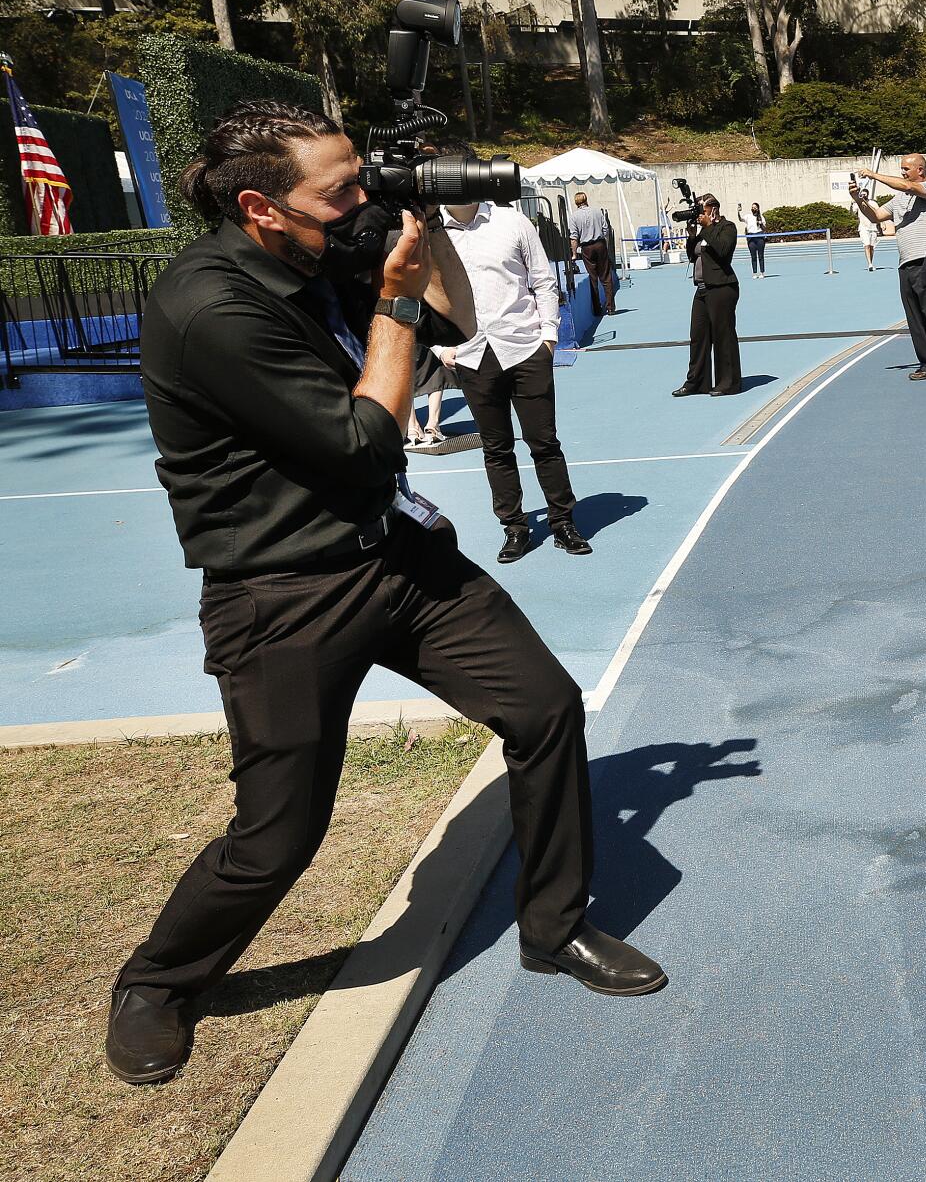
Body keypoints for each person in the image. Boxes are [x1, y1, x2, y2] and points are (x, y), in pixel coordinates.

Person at [110, 101, 664, 1086]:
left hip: (393, 553)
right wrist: (394, 301)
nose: (362, 202)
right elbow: (366, 436)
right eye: (342, 192)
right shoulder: (210, 308)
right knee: (278, 834)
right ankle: (157, 981)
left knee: (544, 710)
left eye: (366, 177)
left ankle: (553, 926)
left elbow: (452, 321)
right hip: (282, 592)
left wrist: (424, 233)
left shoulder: (332, 244)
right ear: (260, 207)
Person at [434, 170, 591, 563]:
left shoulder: (512, 220)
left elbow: (543, 280)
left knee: (544, 443)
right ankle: (515, 527)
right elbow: (421, 291)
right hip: (471, 354)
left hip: (524, 349)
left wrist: (549, 337)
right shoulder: (431, 232)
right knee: (496, 448)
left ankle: (563, 522)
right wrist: (438, 346)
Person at [854, 155, 926, 387]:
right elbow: (877, 216)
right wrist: (858, 200)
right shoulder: (899, 199)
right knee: (915, 317)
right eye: (901, 169)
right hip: (906, 263)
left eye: (906, 169)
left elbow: (910, 186)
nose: (902, 173)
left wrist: (873, 175)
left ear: (920, 170)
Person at [674, 192, 742, 395]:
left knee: (723, 336)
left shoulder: (727, 227)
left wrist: (708, 227)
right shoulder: (705, 231)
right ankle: (696, 382)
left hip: (722, 288)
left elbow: (723, 251)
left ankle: (728, 382)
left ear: (713, 210)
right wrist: (693, 236)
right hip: (702, 289)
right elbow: (692, 256)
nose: (699, 215)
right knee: (698, 336)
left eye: (702, 211)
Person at [568, 191, 617, 314]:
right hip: (600, 244)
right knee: (606, 277)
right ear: (586, 200)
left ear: (576, 202)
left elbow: (574, 237)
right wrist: (603, 243)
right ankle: (610, 307)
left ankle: (596, 308)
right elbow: (606, 229)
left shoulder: (574, 217)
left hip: (587, 247)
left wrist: (574, 254)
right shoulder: (597, 212)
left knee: (592, 277)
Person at [741, 201, 768, 278]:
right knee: (753, 256)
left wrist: (761, 223)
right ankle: (754, 273)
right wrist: (738, 212)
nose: (753, 209)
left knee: (761, 256)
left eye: (755, 207)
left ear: (758, 209)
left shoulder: (761, 217)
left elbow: (764, 228)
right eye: (752, 207)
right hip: (751, 237)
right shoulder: (748, 216)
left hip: (759, 236)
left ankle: (762, 272)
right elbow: (740, 219)